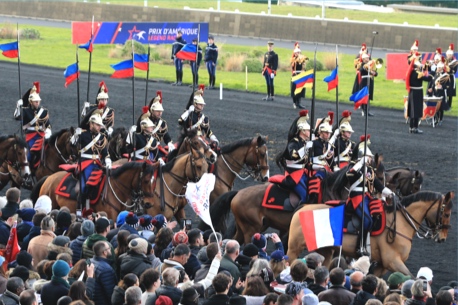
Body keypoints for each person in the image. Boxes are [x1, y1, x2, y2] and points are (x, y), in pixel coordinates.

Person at [342, 136, 393, 256]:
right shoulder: (354, 167)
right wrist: (360, 163)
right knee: (366, 220)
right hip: (356, 198)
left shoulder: (369, 170)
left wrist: (390, 193)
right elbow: (349, 175)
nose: (370, 160)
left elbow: (377, 185)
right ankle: (360, 247)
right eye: (368, 157)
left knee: (375, 217)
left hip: (366, 197)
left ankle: (369, 245)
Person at [73, 114, 111, 208]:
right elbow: (72, 145)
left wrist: (108, 161)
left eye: (100, 125)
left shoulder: (102, 138)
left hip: (98, 164)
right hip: (85, 163)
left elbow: (105, 153)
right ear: (91, 124)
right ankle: (80, 209)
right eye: (97, 125)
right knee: (83, 187)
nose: (99, 127)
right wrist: (75, 136)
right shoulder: (83, 134)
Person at [276, 110, 312, 204]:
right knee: (305, 197)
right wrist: (305, 148)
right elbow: (294, 155)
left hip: (303, 173)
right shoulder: (294, 142)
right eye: (308, 130)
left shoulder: (304, 142)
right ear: (303, 131)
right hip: (293, 175)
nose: (310, 132)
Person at [14, 82, 51, 166]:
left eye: (38, 101)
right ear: (31, 102)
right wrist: (18, 107)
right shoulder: (26, 111)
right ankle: (28, 169)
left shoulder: (44, 111)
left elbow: (48, 124)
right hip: (31, 136)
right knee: (29, 152)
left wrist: (48, 132)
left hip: (42, 135)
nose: (37, 103)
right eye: (35, 101)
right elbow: (17, 117)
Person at [406, 52, 432, 134]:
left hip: (412, 91)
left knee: (412, 110)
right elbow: (427, 78)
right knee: (416, 110)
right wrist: (431, 74)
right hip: (417, 92)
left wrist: (427, 67)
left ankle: (411, 127)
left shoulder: (412, 72)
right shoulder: (417, 73)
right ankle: (415, 127)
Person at [90, 240, 117, 305]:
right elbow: (110, 292)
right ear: (104, 252)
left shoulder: (91, 261)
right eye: (109, 248)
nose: (110, 250)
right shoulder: (106, 269)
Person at [352, 50, 377, 116]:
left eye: (368, 58)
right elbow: (361, 70)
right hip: (364, 82)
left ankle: (367, 110)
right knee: (364, 96)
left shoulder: (370, 65)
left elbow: (375, 72)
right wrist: (367, 66)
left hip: (370, 81)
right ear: (363, 59)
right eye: (366, 58)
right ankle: (364, 110)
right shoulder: (361, 64)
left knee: (368, 96)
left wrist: (374, 73)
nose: (368, 59)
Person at [312, 113, 336, 179]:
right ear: (320, 132)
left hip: (326, 169)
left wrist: (335, 168)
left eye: (329, 133)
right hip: (315, 170)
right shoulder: (314, 143)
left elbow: (331, 161)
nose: (328, 135)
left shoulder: (329, 145)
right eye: (326, 133)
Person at [427, 57, 450, 125]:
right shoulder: (436, 74)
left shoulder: (446, 76)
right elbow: (433, 82)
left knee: (441, 108)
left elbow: (448, 86)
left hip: (442, 93)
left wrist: (442, 87)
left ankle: (440, 119)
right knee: (434, 106)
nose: (438, 69)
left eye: (439, 68)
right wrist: (431, 88)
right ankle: (434, 119)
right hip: (435, 92)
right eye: (437, 68)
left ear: (442, 68)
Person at [290, 42, 308, 109]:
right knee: (294, 90)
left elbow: (303, 68)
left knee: (300, 90)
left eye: (298, 52)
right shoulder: (293, 60)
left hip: (301, 76)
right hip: (295, 76)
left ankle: (299, 102)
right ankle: (294, 102)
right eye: (296, 52)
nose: (298, 53)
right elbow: (293, 66)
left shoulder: (302, 60)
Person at [445, 43, 456, 109]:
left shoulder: (454, 62)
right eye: (448, 54)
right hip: (445, 77)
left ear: (452, 55)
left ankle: (449, 105)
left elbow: (454, 70)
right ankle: (445, 104)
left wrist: (450, 70)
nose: (448, 55)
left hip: (450, 77)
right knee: (444, 91)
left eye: (450, 54)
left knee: (450, 92)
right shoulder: (445, 61)